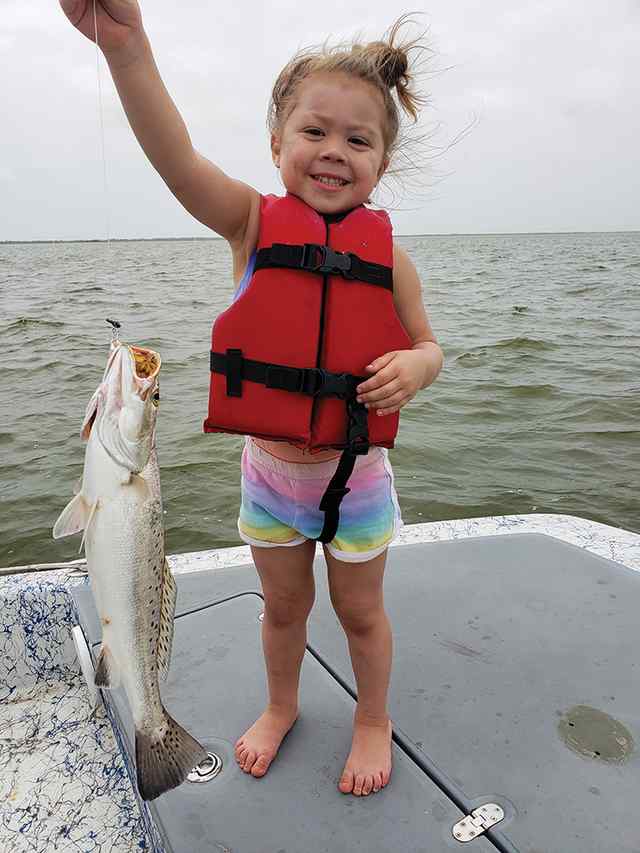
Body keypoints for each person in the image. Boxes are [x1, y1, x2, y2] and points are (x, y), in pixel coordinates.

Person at [60, 0, 444, 798]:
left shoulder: (394, 264)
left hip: (356, 481)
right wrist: (127, 51)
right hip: (271, 479)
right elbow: (176, 161)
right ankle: (282, 704)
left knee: (362, 613)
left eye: (358, 139)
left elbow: (428, 345)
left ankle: (372, 715)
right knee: (282, 609)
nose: (333, 152)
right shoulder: (249, 224)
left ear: (382, 161)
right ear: (276, 145)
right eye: (314, 132)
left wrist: (417, 366)